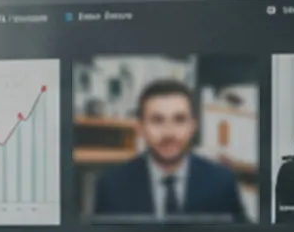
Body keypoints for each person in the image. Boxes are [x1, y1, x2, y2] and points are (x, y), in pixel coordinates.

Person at [88, 79, 249, 221]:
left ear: (192, 126)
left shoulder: (221, 182)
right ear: (140, 127)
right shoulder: (112, 186)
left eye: (179, 120)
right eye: (157, 120)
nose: (169, 133)